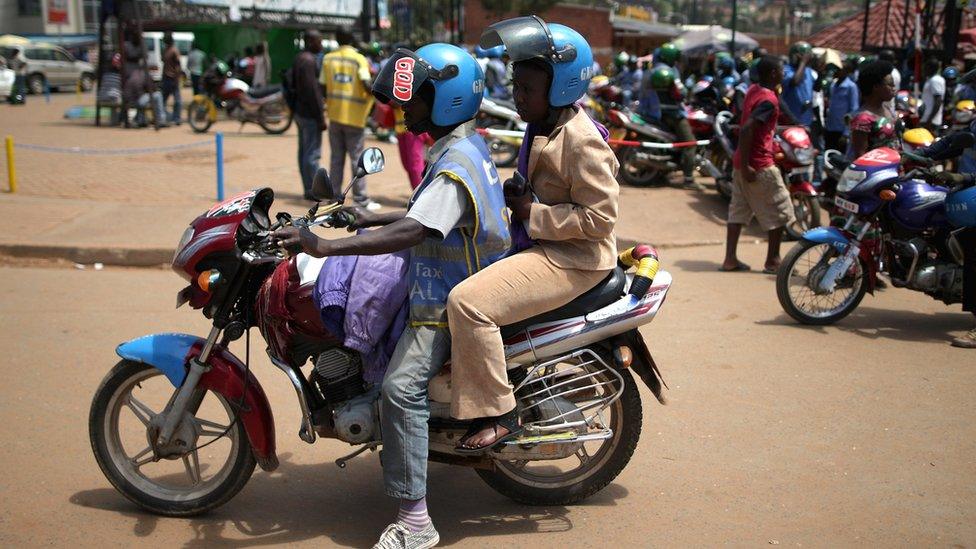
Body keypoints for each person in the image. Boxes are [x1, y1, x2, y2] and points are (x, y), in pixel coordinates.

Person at [275, 43, 511, 549]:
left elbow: (413, 232)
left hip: (447, 301)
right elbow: (422, 216)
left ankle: (416, 522)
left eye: (412, 99)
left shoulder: (454, 164)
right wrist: (368, 216)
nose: (402, 109)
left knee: (401, 391)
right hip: (448, 285)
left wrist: (327, 246)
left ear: (443, 99)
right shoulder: (460, 148)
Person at [447, 17, 619, 453]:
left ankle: (499, 412)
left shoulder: (582, 142)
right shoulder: (542, 124)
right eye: (516, 86)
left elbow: (600, 219)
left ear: (560, 88)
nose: (517, 97)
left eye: (527, 90)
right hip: (544, 246)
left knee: (467, 304)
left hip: (572, 258)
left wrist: (532, 212)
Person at [721, 56, 796, 274]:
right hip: (759, 164)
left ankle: (730, 259)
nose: (784, 73)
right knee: (780, 211)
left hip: (741, 162)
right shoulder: (768, 100)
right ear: (773, 74)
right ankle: (773, 261)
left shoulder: (754, 90)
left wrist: (742, 164)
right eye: (782, 70)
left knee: (738, 211)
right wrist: (747, 166)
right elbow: (747, 130)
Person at [321, 28, 380, 210]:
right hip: (354, 117)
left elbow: (323, 86)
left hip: (335, 115)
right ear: (352, 39)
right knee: (357, 160)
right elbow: (366, 83)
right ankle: (361, 199)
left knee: (336, 159)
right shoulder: (358, 59)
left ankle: (332, 199)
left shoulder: (328, 58)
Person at [646, 65, 700, 190]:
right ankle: (688, 178)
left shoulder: (653, 76)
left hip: (661, 115)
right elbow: (682, 93)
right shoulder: (670, 77)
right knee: (690, 144)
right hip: (675, 115)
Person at [293, 29, 327, 200]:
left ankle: (308, 188)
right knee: (312, 154)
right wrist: (320, 117)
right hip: (310, 114)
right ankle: (315, 191)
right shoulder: (308, 61)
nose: (321, 45)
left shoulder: (300, 58)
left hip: (300, 112)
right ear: (311, 41)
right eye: (319, 41)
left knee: (304, 152)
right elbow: (313, 92)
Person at [847, 61, 898, 160]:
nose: (893, 88)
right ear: (876, 87)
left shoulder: (888, 109)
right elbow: (860, 156)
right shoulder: (863, 119)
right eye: (890, 84)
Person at [824, 56, 859, 153]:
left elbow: (853, 110)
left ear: (846, 71)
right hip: (830, 127)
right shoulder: (833, 85)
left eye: (839, 69)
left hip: (841, 129)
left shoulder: (851, 87)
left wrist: (846, 133)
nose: (836, 71)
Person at [782, 41, 817, 126]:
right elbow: (794, 82)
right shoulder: (786, 70)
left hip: (806, 117)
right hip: (792, 118)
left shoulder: (808, 71)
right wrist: (803, 62)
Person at [160, 32, 182, 125]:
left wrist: (177, 78)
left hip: (173, 78)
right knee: (163, 99)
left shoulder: (174, 50)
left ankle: (177, 118)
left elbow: (177, 65)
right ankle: (163, 116)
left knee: (177, 100)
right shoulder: (165, 50)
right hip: (166, 77)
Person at [920, 57, 945, 133]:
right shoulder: (931, 79)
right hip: (927, 119)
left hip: (931, 121)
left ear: (929, 67)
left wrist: (929, 119)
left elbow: (938, 101)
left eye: (925, 67)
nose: (923, 69)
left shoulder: (935, 80)